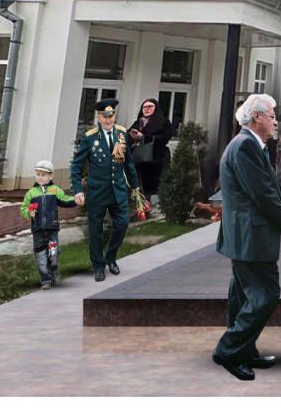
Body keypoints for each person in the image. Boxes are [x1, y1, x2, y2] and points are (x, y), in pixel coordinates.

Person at [212, 93, 281, 382]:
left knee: (243, 297)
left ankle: (245, 350)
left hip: (246, 235)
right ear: (256, 117)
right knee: (265, 295)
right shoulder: (245, 146)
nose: (275, 122)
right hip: (250, 237)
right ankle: (229, 350)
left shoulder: (248, 144)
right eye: (272, 116)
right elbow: (262, 193)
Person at [70, 98, 138, 282]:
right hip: (97, 192)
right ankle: (98, 265)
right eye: (104, 116)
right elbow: (76, 166)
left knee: (123, 224)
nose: (108, 120)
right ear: (99, 117)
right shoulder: (90, 137)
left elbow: (128, 163)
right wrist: (78, 190)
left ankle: (111, 257)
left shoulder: (122, 134)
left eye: (111, 115)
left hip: (118, 190)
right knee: (95, 231)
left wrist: (135, 187)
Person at [21, 160, 77, 290]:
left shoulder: (55, 190)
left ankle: (54, 272)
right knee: (41, 256)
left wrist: (75, 200)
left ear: (51, 176)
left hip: (52, 229)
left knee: (53, 254)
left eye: (43, 175)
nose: (40, 177)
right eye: (38, 174)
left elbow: (65, 200)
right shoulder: (31, 193)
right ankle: (45, 279)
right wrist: (29, 212)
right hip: (38, 230)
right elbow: (23, 208)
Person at [127, 97, 174, 202]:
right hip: (139, 159)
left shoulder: (163, 122)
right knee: (140, 185)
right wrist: (131, 136)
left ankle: (154, 205)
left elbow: (165, 137)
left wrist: (145, 137)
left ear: (156, 108)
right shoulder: (138, 122)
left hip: (156, 158)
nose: (147, 109)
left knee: (153, 187)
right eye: (144, 107)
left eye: (150, 106)